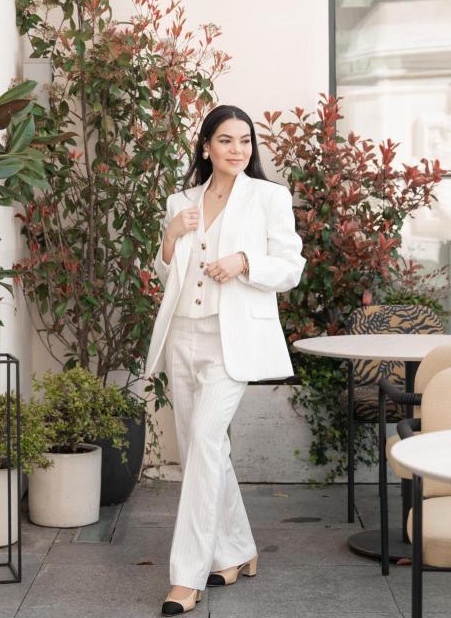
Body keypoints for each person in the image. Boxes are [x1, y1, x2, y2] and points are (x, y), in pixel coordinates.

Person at [144, 104, 306, 615]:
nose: (238, 150)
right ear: (206, 147)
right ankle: (236, 551)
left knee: (205, 440)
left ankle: (186, 577)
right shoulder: (182, 201)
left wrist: (245, 262)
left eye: (245, 140)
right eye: (226, 140)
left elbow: (291, 267)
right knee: (202, 448)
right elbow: (165, 271)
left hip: (231, 340)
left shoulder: (269, 198)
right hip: (183, 334)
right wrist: (170, 235)